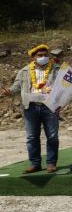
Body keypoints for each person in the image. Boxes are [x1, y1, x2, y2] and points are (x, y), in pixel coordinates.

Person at [1, 44, 60, 174]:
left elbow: (64, 86)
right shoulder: (24, 71)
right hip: (30, 106)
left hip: (50, 106)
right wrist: (9, 92)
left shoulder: (57, 69)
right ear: (33, 57)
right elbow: (16, 87)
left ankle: (51, 163)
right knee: (32, 137)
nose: (43, 57)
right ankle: (35, 164)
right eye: (40, 55)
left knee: (52, 136)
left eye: (46, 55)